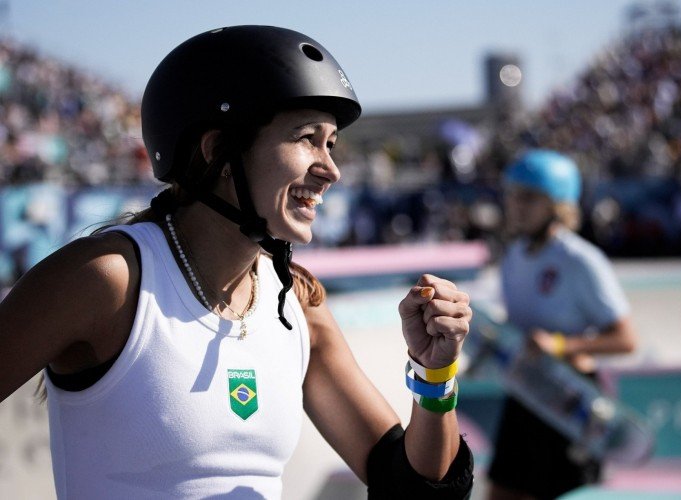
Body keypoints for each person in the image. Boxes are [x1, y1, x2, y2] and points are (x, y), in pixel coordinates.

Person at [0, 26, 474, 499]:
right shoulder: (109, 278)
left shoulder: (296, 305)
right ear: (219, 152)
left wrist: (435, 372)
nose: (332, 170)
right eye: (307, 138)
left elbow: (416, 488)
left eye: (331, 144)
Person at [486, 149, 637, 500]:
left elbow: (626, 339)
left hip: (570, 400)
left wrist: (560, 346)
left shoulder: (580, 259)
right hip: (526, 392)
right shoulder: (513, 257)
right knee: (500, 492)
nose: (517, 205)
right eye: (513, 195)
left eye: (530, 198)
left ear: (557, 204)